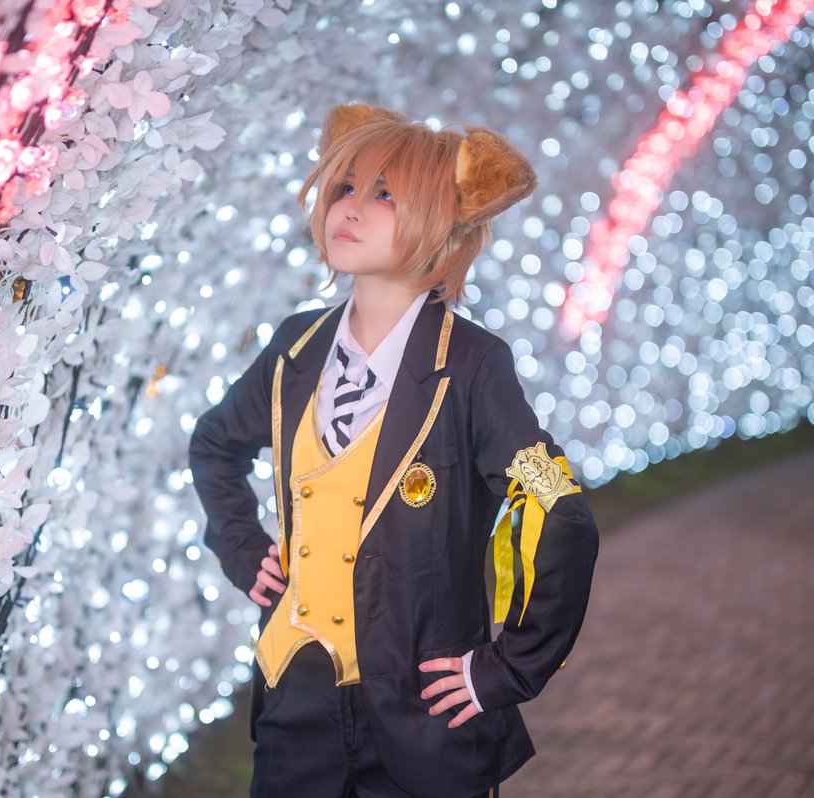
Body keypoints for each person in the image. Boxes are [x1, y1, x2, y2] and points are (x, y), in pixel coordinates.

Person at [188, 103, 599, 798]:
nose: (350, 208)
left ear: (441, 219)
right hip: (295, 709)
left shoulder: (472, 365)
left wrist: (506, 669)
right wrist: (240, 545)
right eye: (345, 187)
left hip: (426, 720)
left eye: (385, 195)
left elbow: (556, 507)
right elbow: (215, 444)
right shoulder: (294, 348)